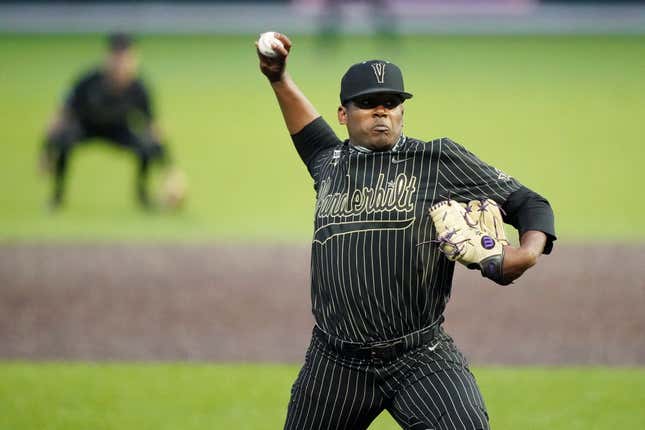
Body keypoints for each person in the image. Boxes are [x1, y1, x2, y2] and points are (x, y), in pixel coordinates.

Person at [257, 33, 556, 430]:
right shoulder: (328, 162)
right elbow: (306, 127)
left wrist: (528, 252)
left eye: (391, 103)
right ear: (343, 114)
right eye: (367, 103)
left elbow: (530, 204)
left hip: (420, 355)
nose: (381, 111)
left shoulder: (437, 160)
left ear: (401, 110)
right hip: (335, 361)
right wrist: (277, 77)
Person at [40, 33, 174, 210]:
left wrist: (171, 171)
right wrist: (46, 150)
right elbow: (61, 115)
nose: (121, 64)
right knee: (65, 141)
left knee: (145, 146)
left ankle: (142, 197)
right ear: (108, 57)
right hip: (86, 126)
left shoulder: (138, 87)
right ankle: (56, 198)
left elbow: (153, 128)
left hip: (118, 129)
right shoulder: (89, 81)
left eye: (126, 58)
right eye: (117, 58)